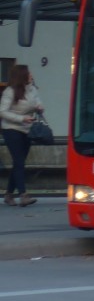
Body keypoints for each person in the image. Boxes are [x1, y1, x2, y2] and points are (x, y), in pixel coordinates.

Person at [1, 64, 44, 207]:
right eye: (28, 73)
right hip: (11, 129)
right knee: (19, 161)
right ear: (22, 75)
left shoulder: (31, 89)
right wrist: (21, 118)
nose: (31, 74)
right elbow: (3, 111)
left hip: (27, 129)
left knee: (18, 162)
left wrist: (39, 107)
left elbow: (37, 101)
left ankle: (8, 194)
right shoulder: (10, 91)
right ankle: (23, 195)